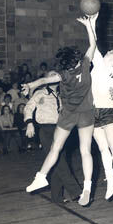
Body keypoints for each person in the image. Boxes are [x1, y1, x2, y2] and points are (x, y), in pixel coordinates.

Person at [23, 15, 98, 207]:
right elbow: (93, 43)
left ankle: (41, 176)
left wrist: (29, 84)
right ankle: (87, 187)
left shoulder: (62, 75)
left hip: (67, 115)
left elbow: (43, 81)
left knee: (55, 148)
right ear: (76, 60)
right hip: (86, 113)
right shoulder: (84, 66)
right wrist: (90, 25)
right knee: (85, 151)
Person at [23, 81, 80, 203]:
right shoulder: (40, 93)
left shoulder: (61, 95)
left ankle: (57, 196)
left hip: (61, 129)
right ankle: (76, 192)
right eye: (51, 75)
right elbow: (28, 107)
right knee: (59, 161)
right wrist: (29, 123)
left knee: (58, 161)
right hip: (46, 129)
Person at [89, 25, 113, 199]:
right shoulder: (97, 63)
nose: (109, 51)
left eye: (112, 52)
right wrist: (91, 23)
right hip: (93, 111)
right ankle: (111, 180)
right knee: (103, 149)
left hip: (110, 109)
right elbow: (94, 42)